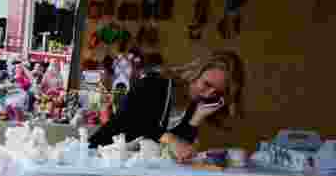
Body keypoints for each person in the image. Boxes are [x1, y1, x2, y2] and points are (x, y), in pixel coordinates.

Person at [88, 50, 246, 163]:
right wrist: (170, 139)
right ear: (196, 72)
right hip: (99, 157)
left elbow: (177, 150)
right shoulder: (155, 83)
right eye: (207, 84)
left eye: (217, 92)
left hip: (132, 166)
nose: (208, 93)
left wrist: (196, 119)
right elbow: (133, 121)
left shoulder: (195, 106)